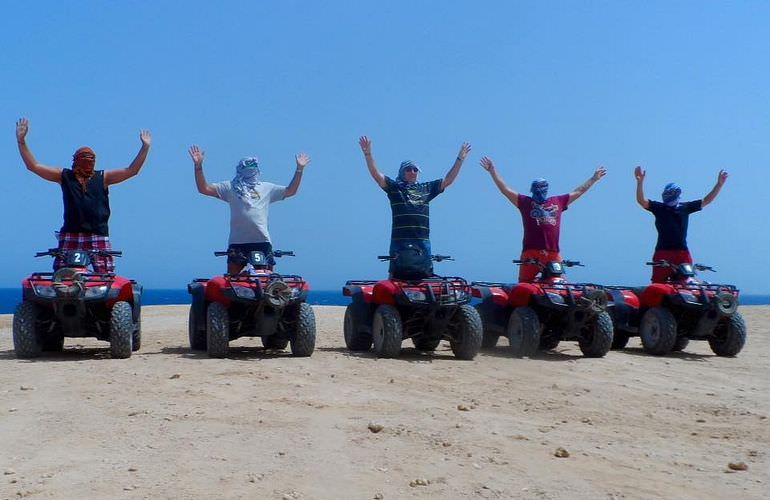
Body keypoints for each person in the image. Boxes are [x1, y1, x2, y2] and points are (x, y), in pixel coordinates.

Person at [15, 118, 151, 274]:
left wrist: (145, 147)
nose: (88, 160)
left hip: (97, 234)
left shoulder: (103, 177)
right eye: (84, 157)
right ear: (75, 160)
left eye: (91, 158)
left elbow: (131, 171)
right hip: (71, 233)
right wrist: (22, 142)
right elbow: (34, 166)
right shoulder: (64, 176)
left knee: (106, 275)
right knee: (64, 275)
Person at [358, 135, 470, 276]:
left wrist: (460, 159)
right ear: (402, 172)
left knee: (425, 274)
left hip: (422, 241)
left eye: (415, 170)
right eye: (408, 169)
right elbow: (377, 175)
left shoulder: (426, 188)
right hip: (400, 240)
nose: (412, 172)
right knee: (395, 275)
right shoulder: (395, 188)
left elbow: (448, 180)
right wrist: (368, 154)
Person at [480, 156, 606, 281]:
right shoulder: (525, 202)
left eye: (542, 187)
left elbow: (579, 191)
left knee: (560, 284)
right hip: (530, 252)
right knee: (524, 284)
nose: (540, 191)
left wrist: (594, 179)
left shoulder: (558, 201)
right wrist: (493, 171)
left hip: (552, 253)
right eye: (537, 188)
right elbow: (505, 190)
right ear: (532, 190)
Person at [189, 145, 309, 274]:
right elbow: (204, 189)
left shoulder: (267, 188)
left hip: (261, 240)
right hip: (238, 241)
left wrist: (299, 169)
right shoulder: (230, 187)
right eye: (246, 166)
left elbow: (290, 191)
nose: (249, 169)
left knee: (267, 278)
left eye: (252, 166)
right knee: (233, 277)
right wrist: (198, 166)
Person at [634, 166, 727, 283]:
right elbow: (641, 201)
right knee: (658, 282)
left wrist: (719, 184)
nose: (669, 195)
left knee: (687, 282)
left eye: (672, 193)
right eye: (667, 193)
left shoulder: (685, 207)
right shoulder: (659, 208)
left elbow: (706, 201)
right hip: (662, 251)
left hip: (681, 252)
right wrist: (640, 182)